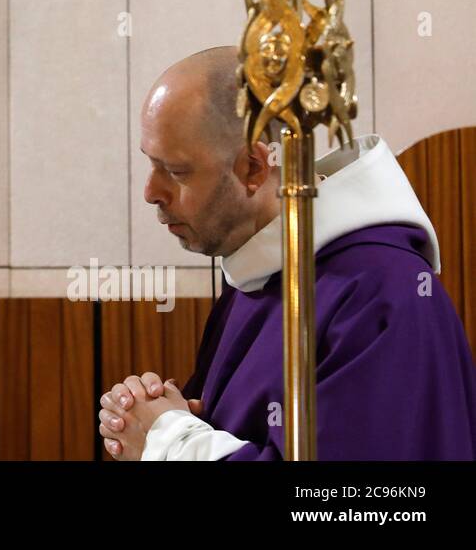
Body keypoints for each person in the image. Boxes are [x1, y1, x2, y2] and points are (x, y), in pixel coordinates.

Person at [99, 46, 476, 460]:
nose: (151, 193)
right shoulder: (261, 272)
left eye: (176, 171)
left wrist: (169, 442)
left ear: (254, 169)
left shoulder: (379, 296)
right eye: (151, 164)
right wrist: (153, 415)